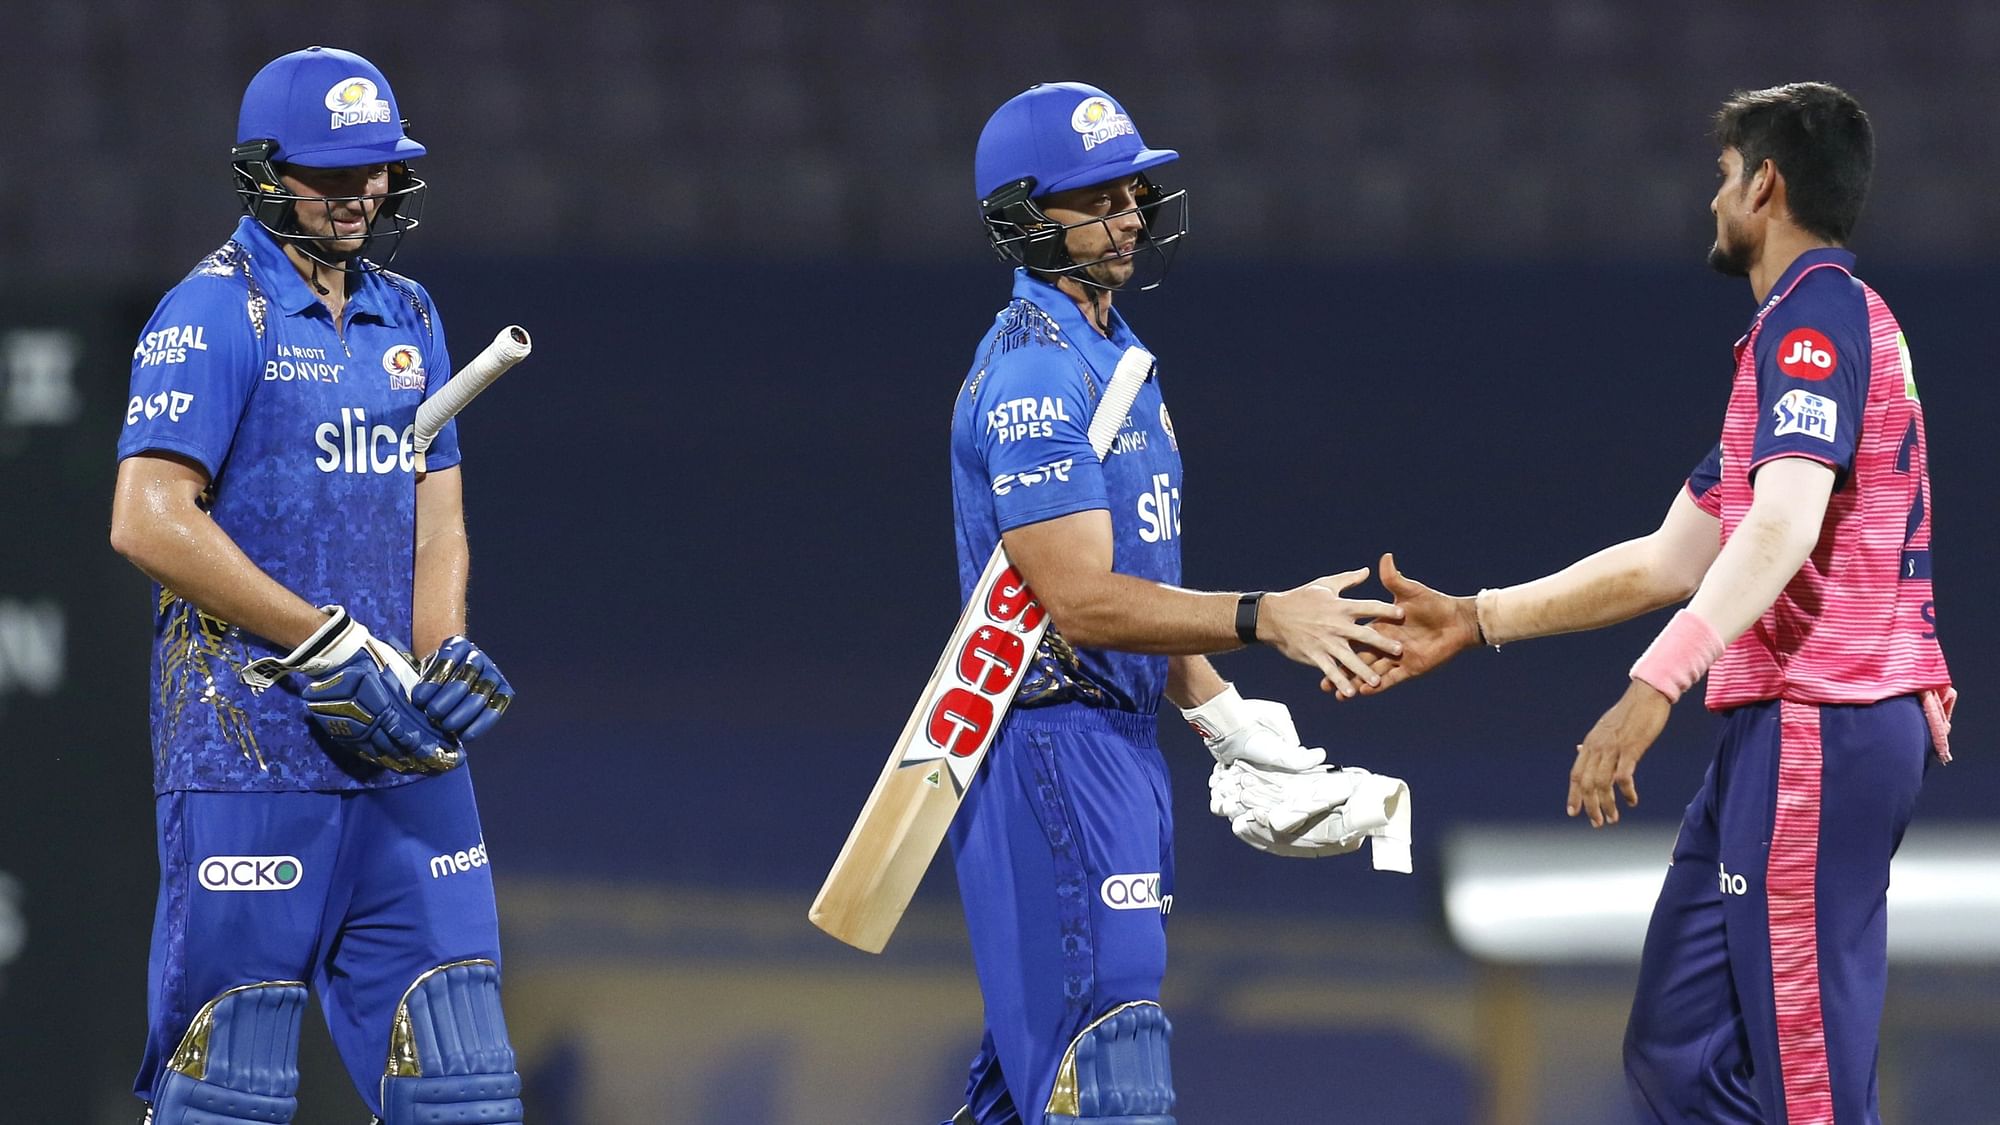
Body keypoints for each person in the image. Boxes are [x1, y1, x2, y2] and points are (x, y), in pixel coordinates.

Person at [1356, 82, 1954, 1123]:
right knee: (1676, 1050)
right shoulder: (1805, 332)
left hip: (1825, 722)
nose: (1710, 199)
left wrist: (1652, 685)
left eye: (1722, 178)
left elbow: (1780, 527)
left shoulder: (1810, 322)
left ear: (1763, 185)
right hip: (1790, 726)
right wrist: (1478, 616)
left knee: (1806, 1088)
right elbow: (1668, 559)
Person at [944, 81, 1411, 1125]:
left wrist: (1223, 723)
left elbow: (1136, 587)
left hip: (1113, 748)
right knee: (1107, 1072)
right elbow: (1079, 603)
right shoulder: (1031, 374)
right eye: (1095, 197)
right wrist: (1261, 617)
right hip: (1049, 746)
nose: (1128, 217)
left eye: (1132, 192)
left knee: (1041, 1084)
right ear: (1025, 214)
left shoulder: (1111, 357)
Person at [110, 46, 523, 1125]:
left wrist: (435, 657)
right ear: (265, 173)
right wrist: (326, 641)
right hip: (248, 751)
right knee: (229, 1084)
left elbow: (434, 504)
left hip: (401, 762)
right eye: (332, 176)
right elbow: (147, 518)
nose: (360, 195)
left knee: (463, 1082)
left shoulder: (412, 313)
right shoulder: (212, 313)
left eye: (375, 171)